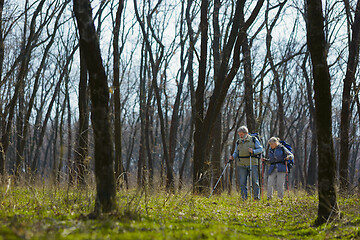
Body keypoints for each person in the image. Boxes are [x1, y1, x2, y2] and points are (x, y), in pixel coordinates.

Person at [230, 126, 263, 200]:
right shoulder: (238, 142)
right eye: (239, 134)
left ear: (246, 133)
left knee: (255, 181)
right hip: (241, 164)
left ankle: (256, 198)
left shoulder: (253, 139)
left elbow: (261, 149)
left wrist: (253, 151)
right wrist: (233, 157)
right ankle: (244, 198)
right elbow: (236, 152)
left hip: (252, 163)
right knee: (242, 182)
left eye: (241, 134)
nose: (240, 136)